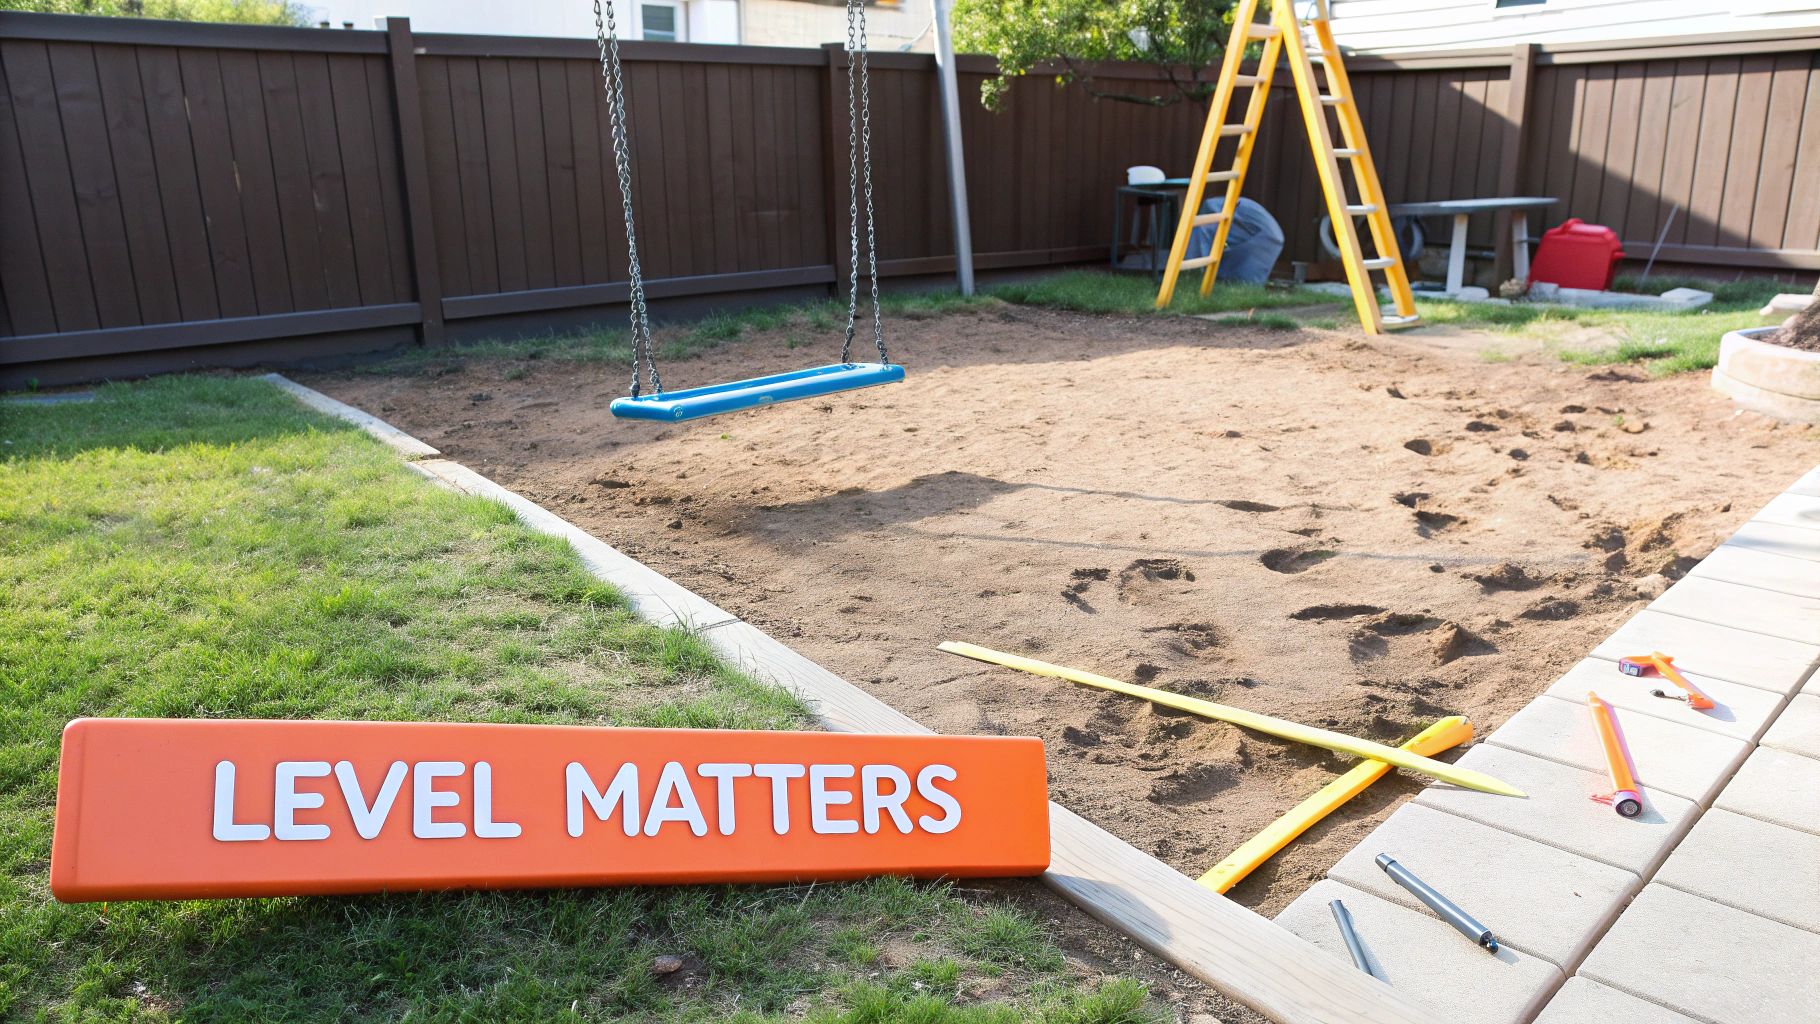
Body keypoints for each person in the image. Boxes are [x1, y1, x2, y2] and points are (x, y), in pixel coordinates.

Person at [1185, 196, 1283, 284]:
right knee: (1246, 281)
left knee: (1243, 281)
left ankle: (1192, 274)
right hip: (1272, 234)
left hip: (1264, 234)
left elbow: (1206, 229)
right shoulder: (1224, 204)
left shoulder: (1211, 208)